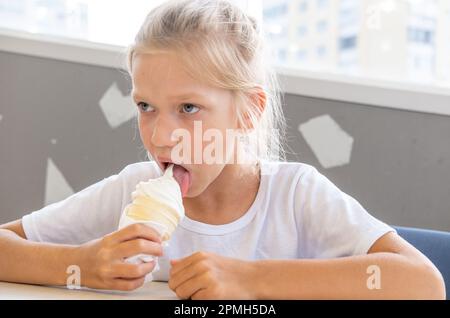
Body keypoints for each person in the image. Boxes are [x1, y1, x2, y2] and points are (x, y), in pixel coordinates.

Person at [0, 0, 445, 299]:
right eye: (146, 106)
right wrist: (80, 263)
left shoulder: (296, 197)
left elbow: (423, 282)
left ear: (248, 111)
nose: (160, 136)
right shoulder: (131, 191)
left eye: (188, 107)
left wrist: (249, 278)